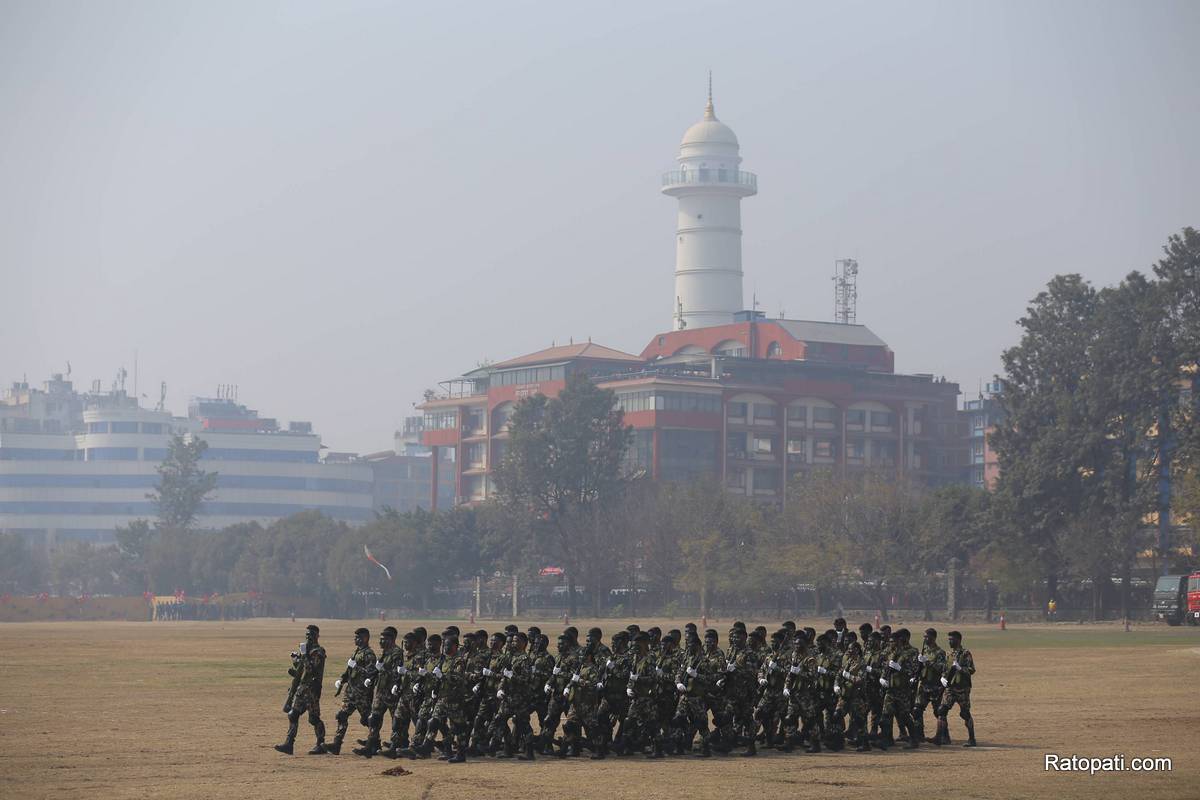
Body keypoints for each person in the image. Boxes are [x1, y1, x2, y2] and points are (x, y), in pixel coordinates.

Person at [275, 624, 327, 755]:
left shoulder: (318, 652)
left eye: (311, 635)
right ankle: (289, 744)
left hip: (312, 690)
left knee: (314, 718)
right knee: (293, 714)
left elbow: (311, 670)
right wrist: (296, 660)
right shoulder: (307, 650)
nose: (308, 637)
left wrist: (304, 655)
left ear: (317, 636)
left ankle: (321, 744)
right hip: (302, 689)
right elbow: (301, 670)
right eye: (307, 635)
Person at [355, 626, 403, 757]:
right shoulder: (384, 653)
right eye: (380, 639)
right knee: (374, 718)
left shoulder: (397, 653)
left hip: (391, 692)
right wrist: (371, 678)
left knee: (396, 721)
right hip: (380, 691)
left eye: (384, 640)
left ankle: (396, 746)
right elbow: (378, 670)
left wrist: (383, 670)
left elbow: (397, 673)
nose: (381, 642)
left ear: (391, 640)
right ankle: (372, 745)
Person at [327, 627, 376, 755]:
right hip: (351, 692)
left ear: (365, 638)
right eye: (355, 637)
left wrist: (357, 667)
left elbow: (371, 673)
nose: (355, 640)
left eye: (358, 637)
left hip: (362, 694)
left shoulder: (369, 654)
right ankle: (336, 744)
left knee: (368, 720)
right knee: (342, 716)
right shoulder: (356, 652)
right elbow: (349, 670)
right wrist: (342, 680)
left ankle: (374, 743)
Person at [935, 630, 977, 747]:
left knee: (965, 713)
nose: (950, 642)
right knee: (942, 710)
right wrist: (943, 678)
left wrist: (960, 669)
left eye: (952, 639)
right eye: (949, 639)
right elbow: (945, 669)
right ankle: (940, 737)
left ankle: (972, 738)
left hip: (962, 688)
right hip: (950, 688)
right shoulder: (949, 654)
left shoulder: (965, 653)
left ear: (958, 640)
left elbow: (971, 670)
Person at [912, 627, 947, 745]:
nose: (925, 639)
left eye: (927, 637)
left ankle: (943, 736)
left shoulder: (940, 652)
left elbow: (941, 668)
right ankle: (919, 735)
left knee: (939, 712)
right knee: (917, 709)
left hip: (935, 685)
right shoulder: (925, 651)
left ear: (933, 637)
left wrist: (927, 662)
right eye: (924, 637)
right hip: (924, 684)